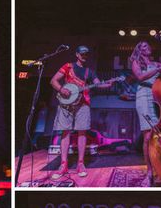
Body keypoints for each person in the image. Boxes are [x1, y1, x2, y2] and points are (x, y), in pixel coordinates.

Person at [49, 46, 116, 181]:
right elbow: (53, 81)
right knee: (65, 132)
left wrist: (108, 84)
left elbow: (98, 84)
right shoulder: (68, 66)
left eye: (86, 54)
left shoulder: (89, 72)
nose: (84, 56)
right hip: (66, 103)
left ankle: (80, 164)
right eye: (82, 54)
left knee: (82, 132)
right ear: (77, 54)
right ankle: (63, 164)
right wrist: (61, 89)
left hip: (83, 103)